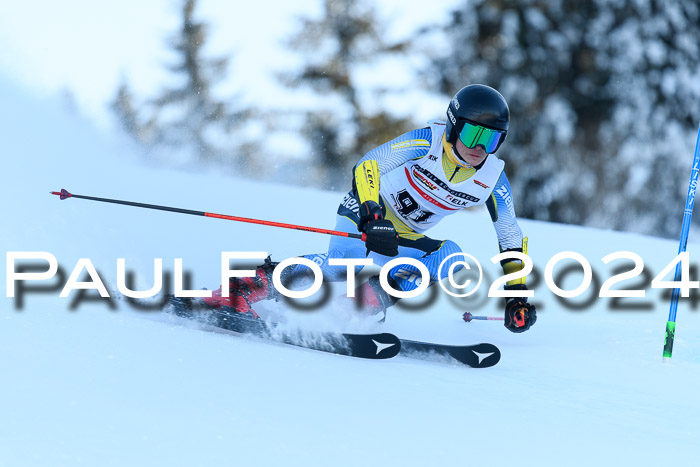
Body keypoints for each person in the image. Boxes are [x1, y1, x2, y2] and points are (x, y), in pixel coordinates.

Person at [201, 84, 536, 333]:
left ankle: (367, 299)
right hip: (363, 210)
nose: (479, 147)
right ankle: (244, 288)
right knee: (344, 265)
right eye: (474, 132)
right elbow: (368, 164)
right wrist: (373, 216)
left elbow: (510, 236)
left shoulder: (493, 179)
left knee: (453, 258)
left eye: (491, 139)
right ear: (453, 125)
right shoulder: (426, 141)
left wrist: (517, 294)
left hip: (403, 234)